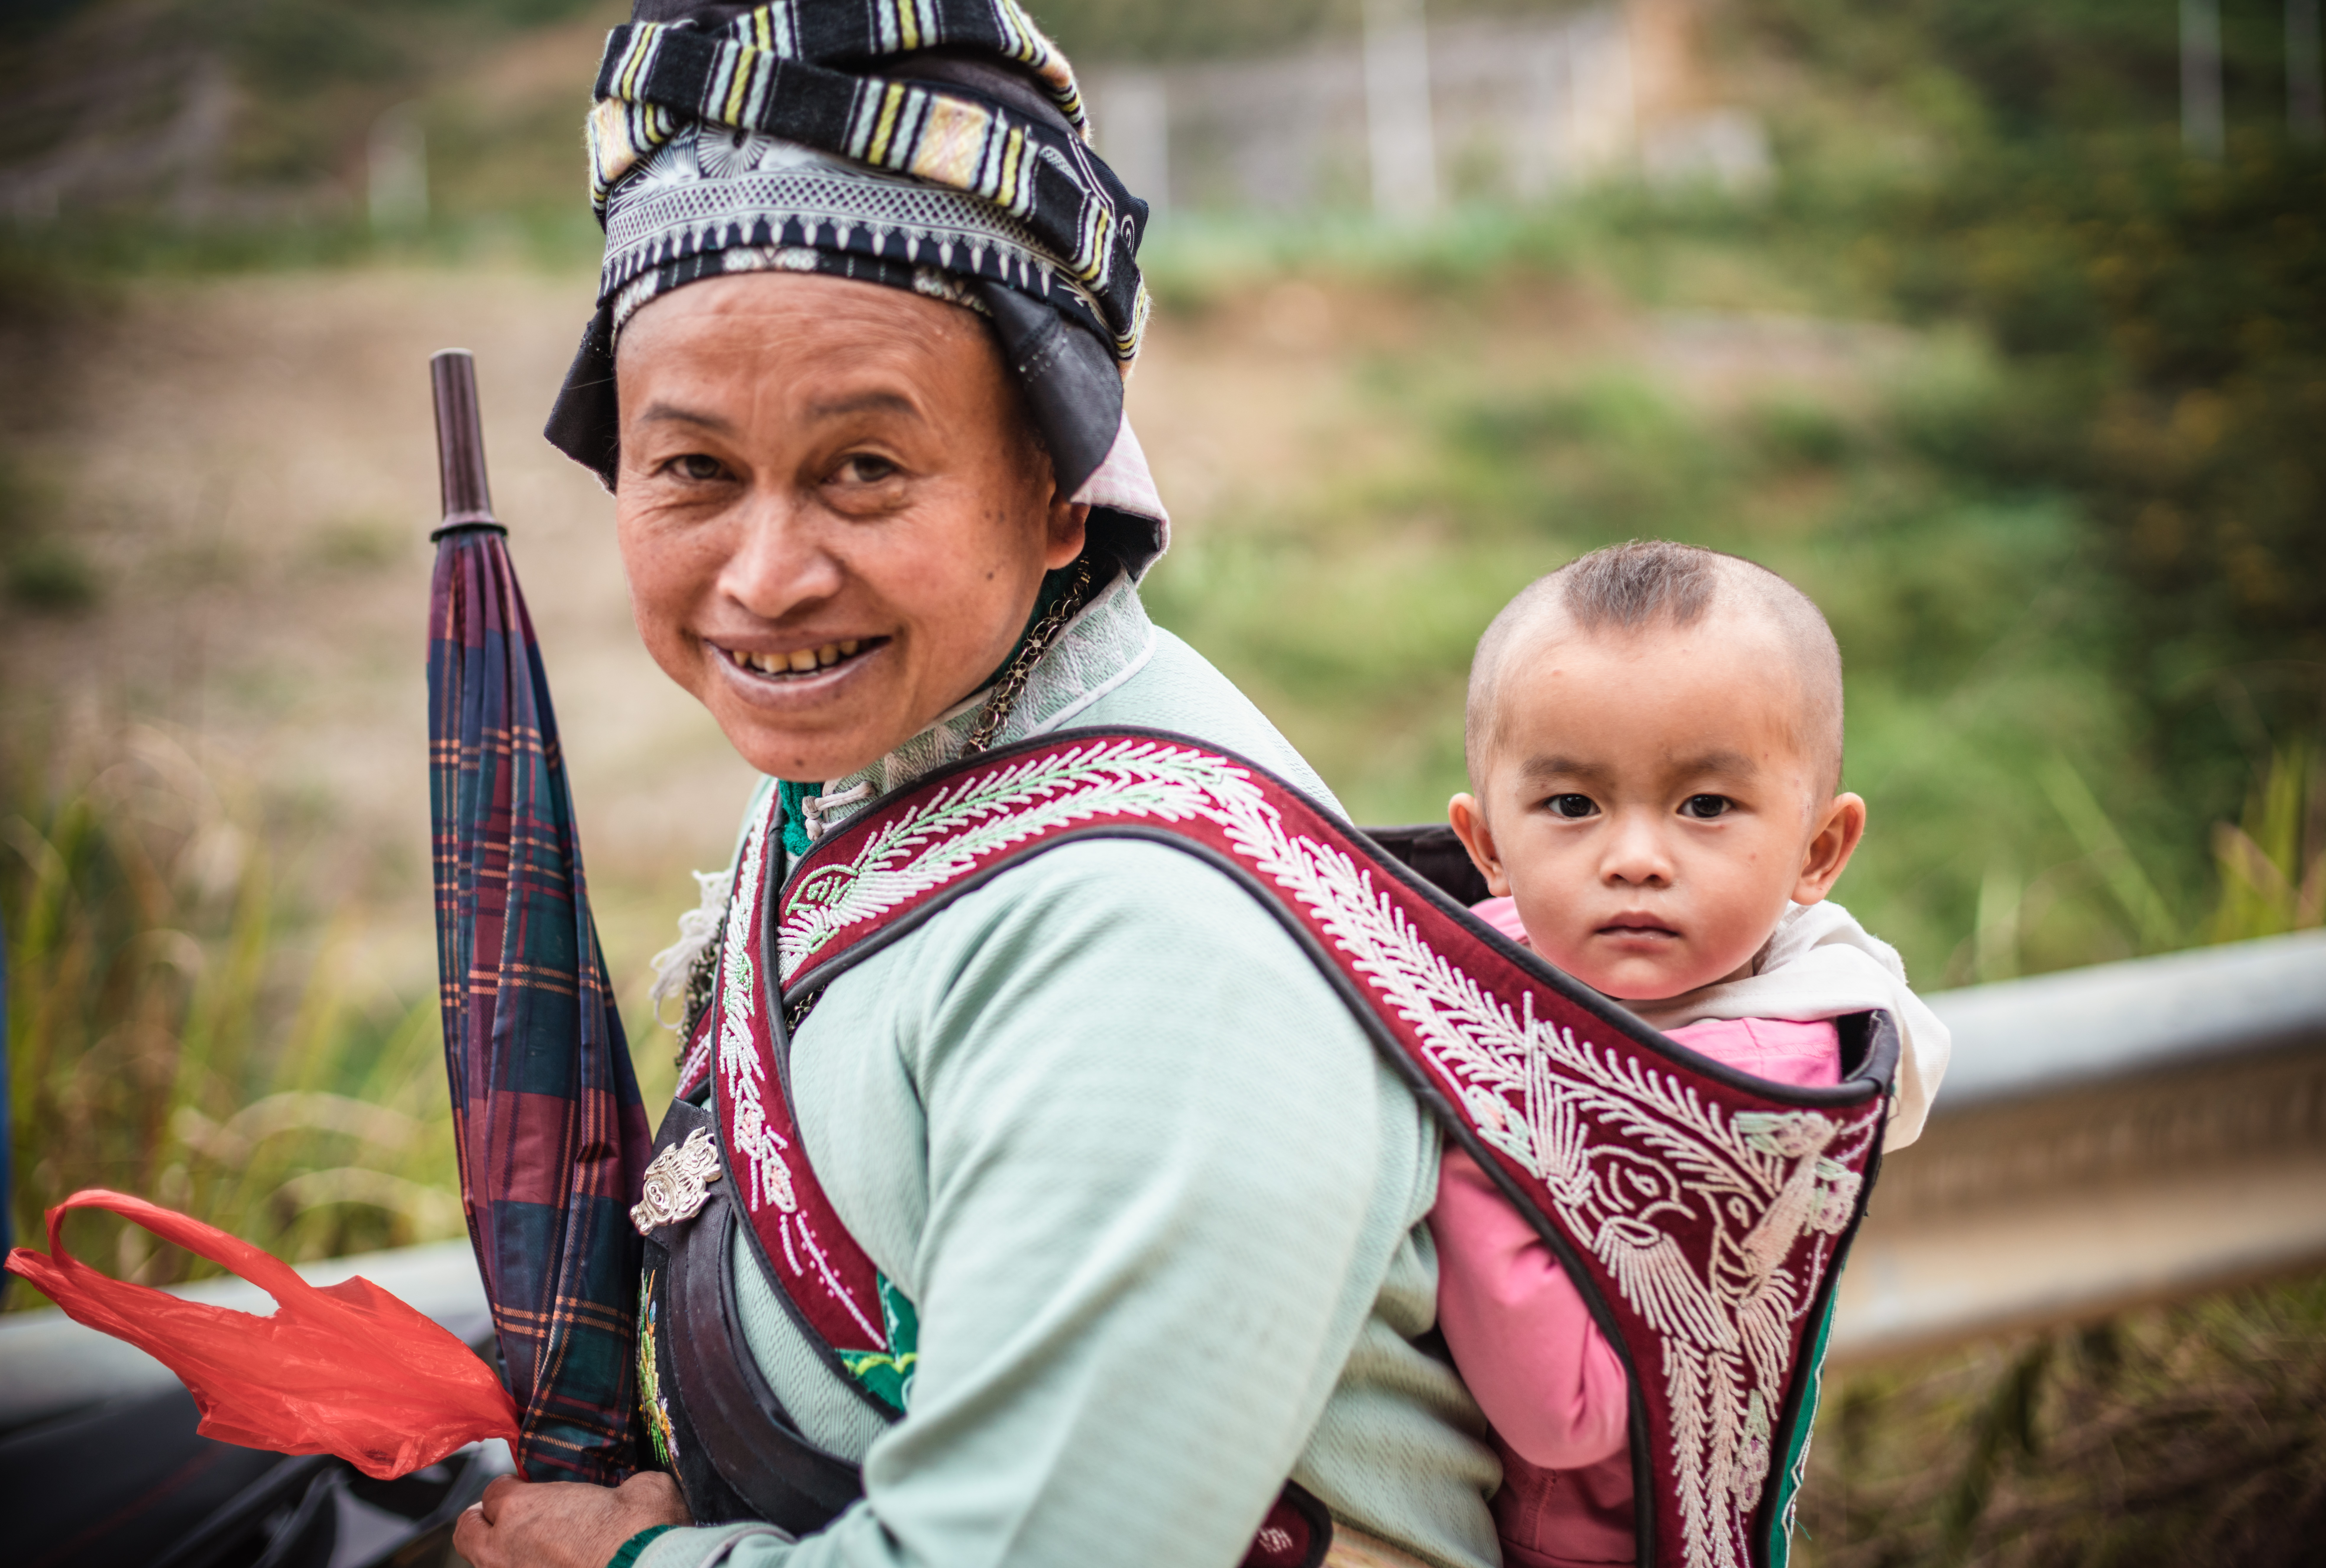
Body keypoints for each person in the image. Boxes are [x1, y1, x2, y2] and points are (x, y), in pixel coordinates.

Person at [454, 4, 1497, 1565]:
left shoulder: (1156, 940)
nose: (765, 574)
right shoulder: (887, 774)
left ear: (1064, 493)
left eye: (865, 467)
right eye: (693, 470)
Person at [1438, 541, 1948, 1568]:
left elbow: (1565, 1409)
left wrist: (1465, 1133)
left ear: (1818, 851)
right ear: (1487, 847)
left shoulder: (1758, 1086)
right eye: (1572, 806)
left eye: (1706, 806)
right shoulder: (1512, 952)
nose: (1635, 858)